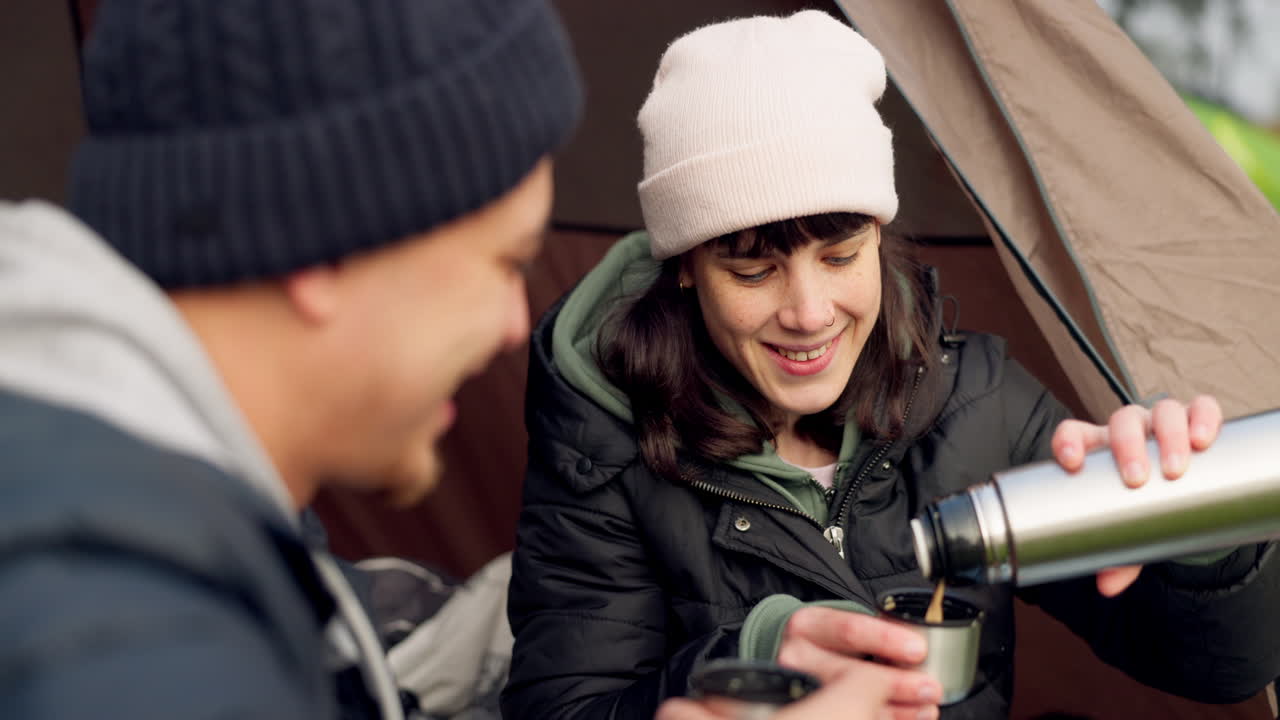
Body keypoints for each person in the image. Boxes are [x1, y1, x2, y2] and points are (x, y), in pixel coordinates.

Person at [502, 10, 1280, 720]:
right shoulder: (603, 439)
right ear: (684, 268)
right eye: (752, 272)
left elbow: (1219, 667)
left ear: (879, 238)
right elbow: (559, 708)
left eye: (840, 256)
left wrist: (1199, 529)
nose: (809, 312)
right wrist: (754, 656)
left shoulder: (972, 396)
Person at [0, 0, 581, 717]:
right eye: (507, 262)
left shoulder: (162, 513)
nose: (515, 327)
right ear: (329, 244)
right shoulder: (142, 651)